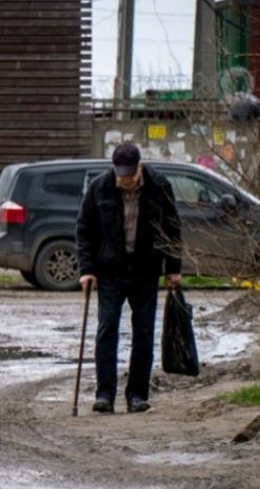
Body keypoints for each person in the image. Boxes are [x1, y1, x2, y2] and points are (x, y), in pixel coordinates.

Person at [76, 143, 182, 414]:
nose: (124, 178)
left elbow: (172, 226)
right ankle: (105, 395)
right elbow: (85, 229)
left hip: (146, 270)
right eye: (120, 173)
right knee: (107, 329)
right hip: (111, 269)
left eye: (129, 174)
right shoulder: (100, 187)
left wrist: (173, 267)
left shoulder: (158, 186)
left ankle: (136, 395)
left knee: (144, 332)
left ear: (139, 167)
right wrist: (87, 269)